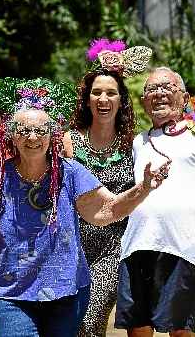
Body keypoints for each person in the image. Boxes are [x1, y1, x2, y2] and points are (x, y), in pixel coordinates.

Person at [0, 77, 170, 337]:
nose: (32, 137)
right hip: (8, 292)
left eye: (41, 130)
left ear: (53, 135)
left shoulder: (70, 172)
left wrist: (143, 187)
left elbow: (105, 211)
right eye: (23, 130)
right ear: (11, 136)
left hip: (66, 291)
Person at [114, 67, 195, 337]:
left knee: (181, 331)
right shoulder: (139, 142)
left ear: (184, 97)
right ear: (143, 101)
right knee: (138, 330)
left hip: (183, 249)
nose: (158, 94)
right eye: (151, 90)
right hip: (136, 248)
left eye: (166, 87)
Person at [63, 38, 152, 337]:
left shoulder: (134, 144)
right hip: (70, 247)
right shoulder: (68, 141)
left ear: (120, 100)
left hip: (112, 249)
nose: (103, 99)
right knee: (67, 326)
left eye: (111, 93)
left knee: (89, 323)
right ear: (87, 98)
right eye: (97, 92)